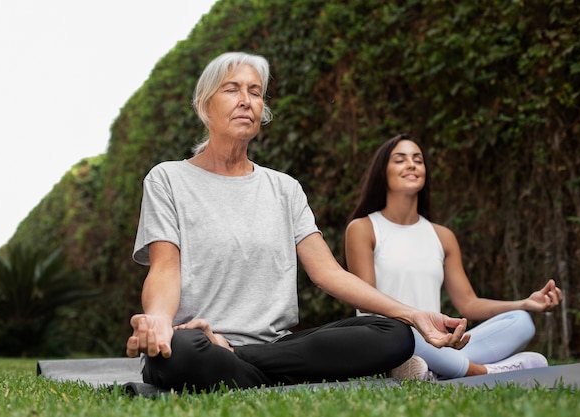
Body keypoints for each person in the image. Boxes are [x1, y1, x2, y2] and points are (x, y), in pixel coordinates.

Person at [125, 52, 470, 392]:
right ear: (204, 106)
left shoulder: (284, 189)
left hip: (278, 347)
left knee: (393, 335)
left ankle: (242, 361)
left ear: (263, 110)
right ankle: (276, 375)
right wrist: (157, 319)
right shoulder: (167, 179)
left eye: (255, 92)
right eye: (232, 89)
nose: (246, 100)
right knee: (178, 353)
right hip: (200, 340)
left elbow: (329, 273)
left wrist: (413, 315)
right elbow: (165, 268)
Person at [344, 133, 564, 380]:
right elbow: (365, 300)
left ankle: (430, 369)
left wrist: (523, 303)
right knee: (404, 336)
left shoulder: (442, 235)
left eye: (418, 159)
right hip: (389, 338)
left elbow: (468, 303)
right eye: (400, 159)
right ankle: (485, 371)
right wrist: (416, 322)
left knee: (521, 321)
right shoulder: (363, 228)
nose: (412, 165)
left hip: (437, 345)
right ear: (382, 172)